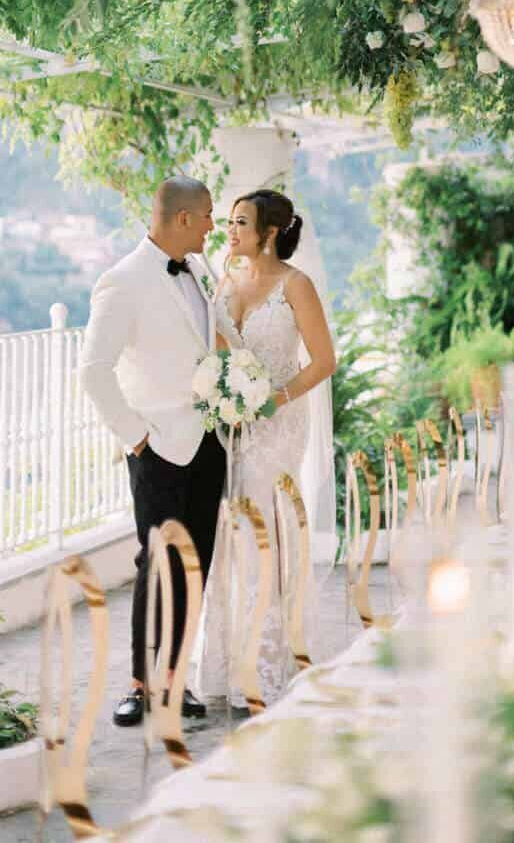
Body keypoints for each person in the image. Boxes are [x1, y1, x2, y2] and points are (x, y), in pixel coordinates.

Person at [79, 176, 226, 728]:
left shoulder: (200, 271)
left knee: (196, 564)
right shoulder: (123, 280)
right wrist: (136, 438)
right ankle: (140, 685)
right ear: (183, 219)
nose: (214, 225)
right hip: (158, 448)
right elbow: (93, 372)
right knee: (156, 564)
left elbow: (215, 336)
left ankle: (175, 680)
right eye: (208, 215)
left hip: (209, 440)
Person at [194, 187, 337, 709]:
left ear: (270, 232)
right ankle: (229, 661)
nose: (229, 231)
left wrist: (276, 399)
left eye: (239, 223)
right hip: (232, 422)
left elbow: (323, 361)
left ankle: (269, 662)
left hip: (278, 422)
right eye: (228, 222)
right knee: (232, 535)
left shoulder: (296, 286)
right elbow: (216, 353)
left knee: (263, 530)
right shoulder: (225, 281)